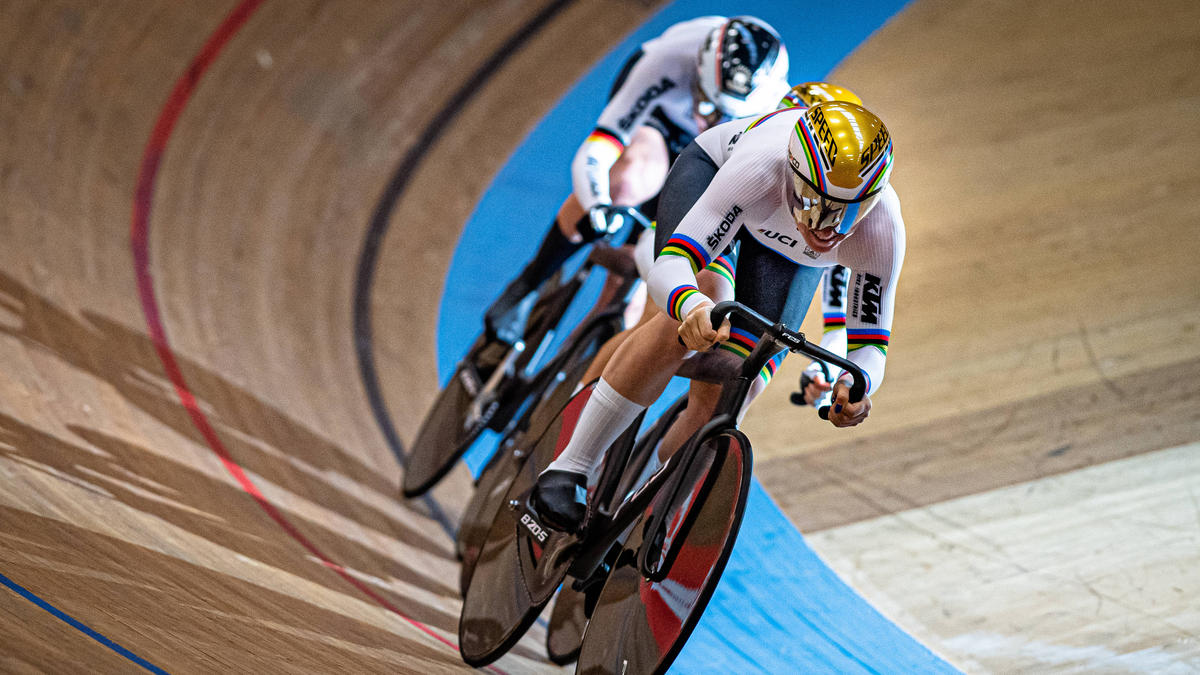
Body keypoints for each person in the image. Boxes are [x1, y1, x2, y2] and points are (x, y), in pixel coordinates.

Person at [531, 101, 904, 532]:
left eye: (850, 211)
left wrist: (855, 386)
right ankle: (570, 466)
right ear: (794, 172)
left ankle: (645, 505)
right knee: (699, 303)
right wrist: (691, 307)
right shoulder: (759, 168)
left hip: (788, 252)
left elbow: (870, 345)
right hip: (715, 180)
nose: (832, 230)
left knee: (737, 383)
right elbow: (674, 265)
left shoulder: (881, 229)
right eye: (820, 207)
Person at [482, 16, 790, 344]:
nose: (708, 116)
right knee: (627, 181)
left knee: (640, 273)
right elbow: (599, 147)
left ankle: (582, 350)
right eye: (706, 102)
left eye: (723, 113)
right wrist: (596, 202)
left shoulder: (773, 107)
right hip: (660, 119)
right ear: (699, 70)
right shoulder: (667, 60)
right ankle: (526, 286)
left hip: (711, 151)